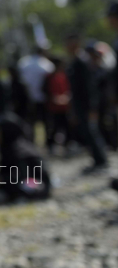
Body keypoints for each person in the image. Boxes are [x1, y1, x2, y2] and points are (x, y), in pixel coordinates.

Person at [65, 33, 109, 172]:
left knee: (92, 133)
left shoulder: (82, 62)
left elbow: (90, 88)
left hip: (87, 106)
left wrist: (92, 108)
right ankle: (97, 159)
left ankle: (101, 161)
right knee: (88, 134)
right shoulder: (74, 62)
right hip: (79, 105)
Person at [0, 113, 51, 202]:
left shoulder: (21, 152)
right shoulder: (9, 149)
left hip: (35, 188)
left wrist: (0, 179)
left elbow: (21, 177)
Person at [18, 47, 54, 135]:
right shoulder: (46, 64)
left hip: (29, 97)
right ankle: (48, 140)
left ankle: (31, 138)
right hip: (43, 97)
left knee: (31, 121)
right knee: (46, 121)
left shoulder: (24, 62)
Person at [43, 56, 71, 152]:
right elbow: (45, 91)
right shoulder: (49, 77)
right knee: (53, 127)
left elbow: (69, 89)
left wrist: (66, 97)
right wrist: (53, 98)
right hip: (53, 107)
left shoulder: (64, 75)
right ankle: (50, 145)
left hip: (65, 106)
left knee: (66, 126)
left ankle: (67, 145)